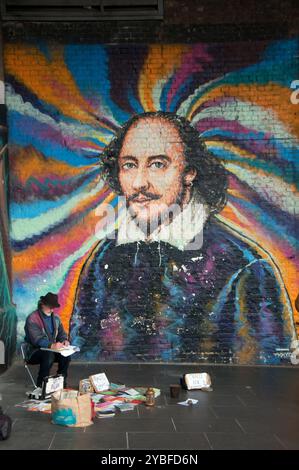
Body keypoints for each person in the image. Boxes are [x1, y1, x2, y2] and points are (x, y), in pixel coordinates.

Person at [70, 111, 296, 364]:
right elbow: (80, 357)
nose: (139, 182)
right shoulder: (104, 256)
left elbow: (265, 379)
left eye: (157, 164)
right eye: (129, 165)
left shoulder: (244, 268)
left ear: (189, 172)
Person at [24, 292, 71, 388]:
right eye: (50, 306)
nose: (52, 309)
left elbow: (61, 333)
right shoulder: (32, 318)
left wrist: (64, 341)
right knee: (48, 355)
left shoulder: (56, 318)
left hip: (51, 349)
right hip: (34, 351)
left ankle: (61, 382)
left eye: (53, 307)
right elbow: (36, 340)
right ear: (42, 304)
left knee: (66, 355)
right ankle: (41, 385)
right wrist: (51, 345)